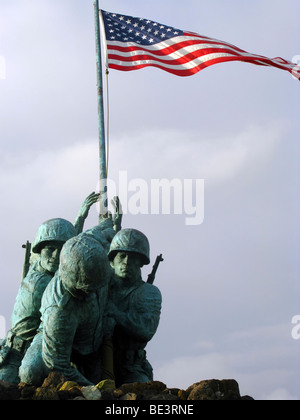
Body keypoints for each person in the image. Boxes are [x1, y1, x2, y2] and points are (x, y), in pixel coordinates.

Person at [0, 192, 100, 384]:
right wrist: (79, 219)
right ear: (39, 251)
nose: (54, 255)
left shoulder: (60, 285)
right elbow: (65, 242)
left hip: (35, 351)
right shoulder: (36, 266)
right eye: (49, 249)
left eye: (60, 250)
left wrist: (87, 220)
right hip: (10, 351)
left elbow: (75, 250)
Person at [19, 230, 111, 386]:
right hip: (59, 338)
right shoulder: (58, 311)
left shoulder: (83, 244)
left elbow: (102, 231)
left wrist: (109, 225)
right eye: (89, 289)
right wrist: (93, 390)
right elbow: (57, 364)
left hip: (91, 341)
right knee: (29, 372)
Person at [105, 228, 162, 387]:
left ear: (141, 262)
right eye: (122, 256)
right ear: (112, 260)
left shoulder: (149, 292)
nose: (126, 262)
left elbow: (146, 329)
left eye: (133, 258)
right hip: (96, 361)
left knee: (140, 391)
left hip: (130, 367)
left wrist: (115, 314)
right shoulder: (101, 288)